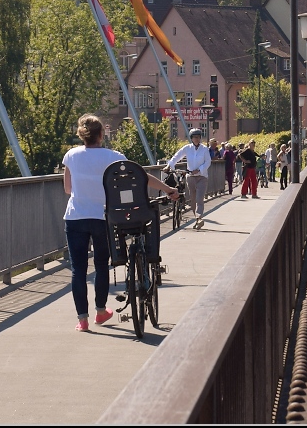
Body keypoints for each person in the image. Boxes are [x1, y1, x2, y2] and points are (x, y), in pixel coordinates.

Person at [63, 114, 178, 332]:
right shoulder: (113, 157)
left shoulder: (71, 156)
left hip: (76, 216)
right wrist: (168, 189)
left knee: (78, 269)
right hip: (104, 217)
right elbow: (141, 177)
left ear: (82, 135)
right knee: (101, 264)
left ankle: (82, 320)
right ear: (101, 134)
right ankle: (100, 311)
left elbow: (68, 189)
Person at [167, 128, 212, 230]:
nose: (196, 139)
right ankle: (197, 219)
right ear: (191, 138)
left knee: (199, 198)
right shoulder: (187, 148)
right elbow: (177, 156)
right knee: (192, 198)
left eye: (198, 137)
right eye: (194, 137)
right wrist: (169, 165)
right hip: (190, 177)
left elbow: (208, 162)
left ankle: (199, 217)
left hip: (202, 177)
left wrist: (199, 170)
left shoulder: (204, 149)